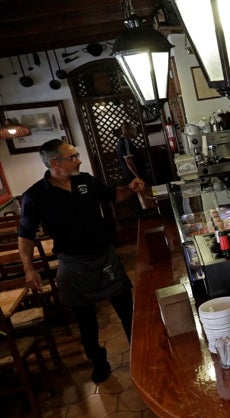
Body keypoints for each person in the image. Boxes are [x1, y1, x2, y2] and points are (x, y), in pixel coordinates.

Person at [18, 139, 146, 383]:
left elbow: (112, 195)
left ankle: (140, 354)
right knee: (86, 322)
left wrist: (130, 188)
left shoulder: (85, 181)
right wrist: (28, 267)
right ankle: (98, 362)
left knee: (128, 311)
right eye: (72, 157)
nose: (78, 160)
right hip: (73, 264)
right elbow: (25, 236)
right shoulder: (35, 196)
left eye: (76, 155)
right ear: (55, 163)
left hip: (105, 256)